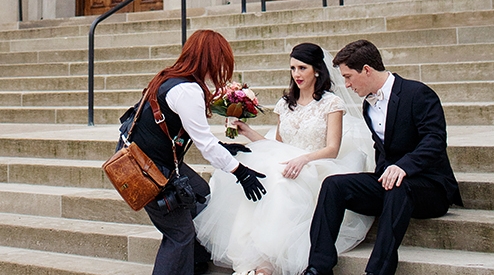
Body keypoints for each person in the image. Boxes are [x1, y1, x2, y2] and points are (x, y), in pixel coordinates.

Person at [195, 42, 373, 275]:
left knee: (280, 184)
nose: (296, 74)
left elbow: (332, 149)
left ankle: (266, 264)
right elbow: (276, 145)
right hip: (285, 163)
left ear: (317, 70)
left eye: (302, 68)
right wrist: (247, 131)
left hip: (316, 165)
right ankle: (257, 261)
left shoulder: (331, 103)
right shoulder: (285, 104)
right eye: (293, 68)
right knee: (260, 179)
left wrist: (303, 160)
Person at [301, 39, 462, 275]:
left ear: (366, 70)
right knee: (333, 185)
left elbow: (434, 141)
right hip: (391, 186)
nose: (346, 85)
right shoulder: (368, 106)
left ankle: (377, 271)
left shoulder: (418, 94)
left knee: (399, 185)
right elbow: (383, 150)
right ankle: (318, 267)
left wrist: (403, 167)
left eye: (348, 77)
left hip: (431, 187)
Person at [128, 29, 267, 275]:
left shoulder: (169, 77)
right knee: (179, 235)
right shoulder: (187, 90)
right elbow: (205, 144)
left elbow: (190, 131)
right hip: (146, 169)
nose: (221, 68)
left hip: (145, 158)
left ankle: (196, 261)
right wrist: (241, 172)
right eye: (221, 61)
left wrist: (223, 148)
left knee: (200, 193)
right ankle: (183, 261)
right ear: (210, 59)